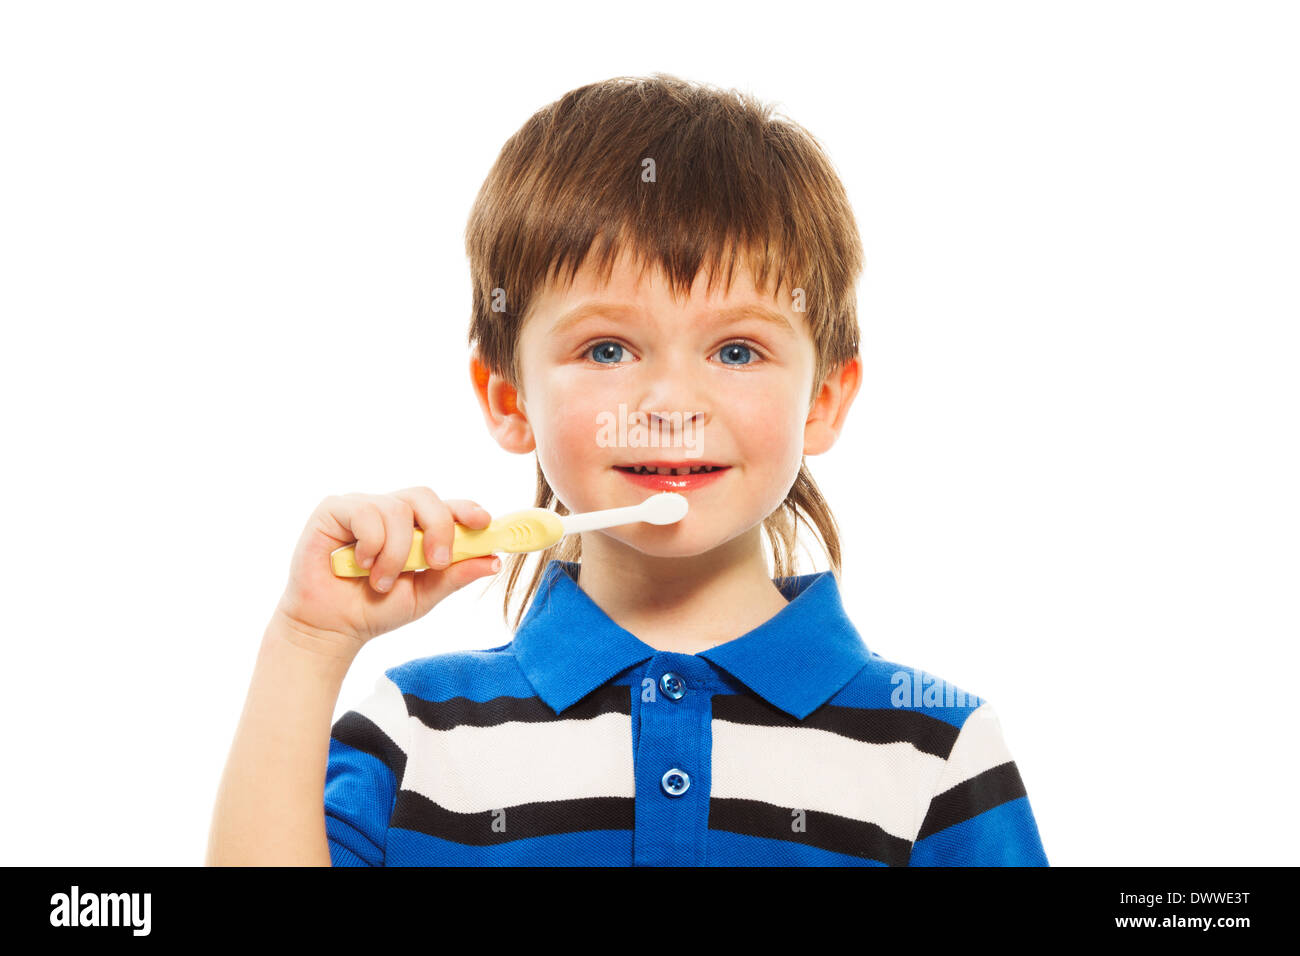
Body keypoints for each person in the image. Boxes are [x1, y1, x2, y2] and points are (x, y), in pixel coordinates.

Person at [205, 73, 1048, 866]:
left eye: (737, 349)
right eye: (607, 348)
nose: (671, 400)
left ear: (824, 400)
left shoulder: (937, 750)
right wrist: (307, 644)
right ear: (508, 399)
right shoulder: (414, 735)